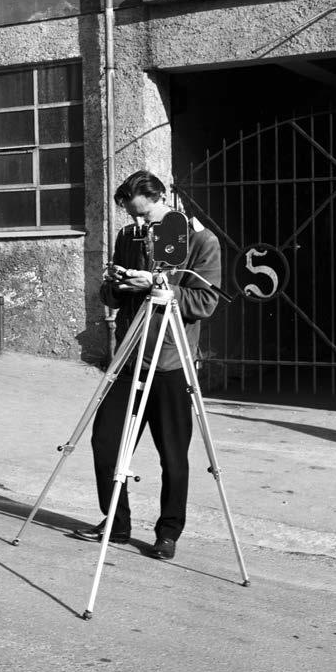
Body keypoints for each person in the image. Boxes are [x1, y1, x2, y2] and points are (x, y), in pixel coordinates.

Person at [72, 170, 222, 559]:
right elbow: (111, 296)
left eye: (145, 215)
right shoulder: (128, 237)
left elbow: (205, 302)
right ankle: (116, 523)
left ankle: (168, 533)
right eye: (132, 216)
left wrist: (161, 288)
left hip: (172, 363)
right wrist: (118, 284)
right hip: (130, 358)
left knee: (172, 455)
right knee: (105, 441)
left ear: (163, 201)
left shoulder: (202, 240)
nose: (139, 224)